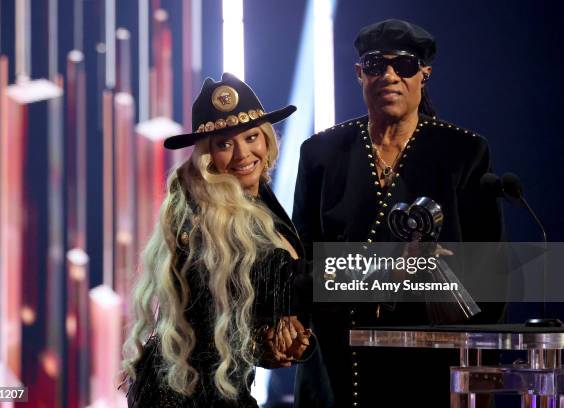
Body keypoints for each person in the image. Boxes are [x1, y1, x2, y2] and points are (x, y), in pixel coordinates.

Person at [293, 19, 506, 407]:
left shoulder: (464, 152)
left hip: (429, 369)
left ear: (424, 74)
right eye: (376, 65)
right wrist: (387, 269)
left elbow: (490, 277)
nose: (389, 75)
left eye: (404, 65)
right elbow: (300, 266)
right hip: (341, 366)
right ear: (360, 74)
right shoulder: (320, 153)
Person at [122, 73, 313, 408]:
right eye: (224, 144)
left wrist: (268, 342)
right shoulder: (204, 215)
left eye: (251, 136)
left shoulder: (258, 200)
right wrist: (402, 271)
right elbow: (272, 277)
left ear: (266, 138)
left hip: (217, 387)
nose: (242, 153)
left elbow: (235, 310)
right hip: (186, 394)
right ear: (207, 155)